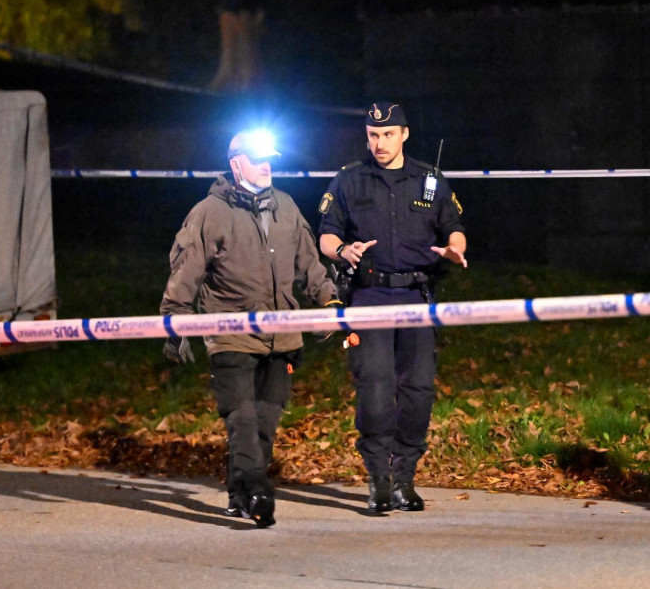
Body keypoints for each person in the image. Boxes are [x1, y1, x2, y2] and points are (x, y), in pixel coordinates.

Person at [160, 128, 337, 528]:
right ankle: (257, 488)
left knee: (266, 419)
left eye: (270, 158)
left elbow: (310, 263)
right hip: (230, 333)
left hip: (282, 336)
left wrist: (329, 303)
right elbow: (185, 270)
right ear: (236, 163)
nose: (267, 165)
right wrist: (176, 320)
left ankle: (239, 493)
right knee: (241, 415)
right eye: (257, 159)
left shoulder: (287, 207)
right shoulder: (209, 212)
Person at [318, 101, 467, 513]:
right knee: (376, 387)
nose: (380, 143)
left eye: (387, 135)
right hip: (369, 296)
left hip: (416, 297)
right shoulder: (349, 180)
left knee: (418, 390)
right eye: (373, 135)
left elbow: (455, 230)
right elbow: (326, 236)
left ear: (404, 134)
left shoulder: (430, 180)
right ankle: (378, 480)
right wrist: (344, 250)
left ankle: (404, 478)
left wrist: (455, 251)